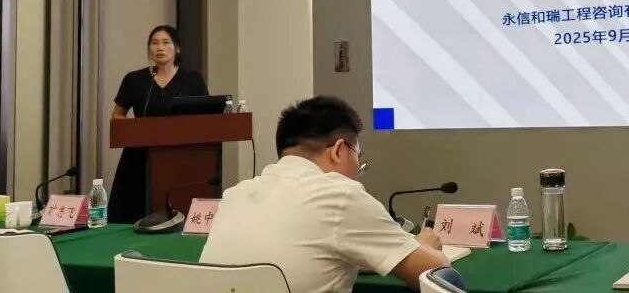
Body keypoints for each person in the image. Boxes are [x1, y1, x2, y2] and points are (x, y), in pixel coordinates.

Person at [200, 96, 448, 292]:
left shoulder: (235, 195)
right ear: (339, 150)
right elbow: (438, 276)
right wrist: (423, 245)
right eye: (358, 157)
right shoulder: (341, 196)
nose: (358, 170)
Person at [108, 25, 208, 223]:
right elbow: (117, 115)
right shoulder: (135, 79)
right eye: (154, 43)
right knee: (131, 213)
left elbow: (206, 115)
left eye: (165, 42)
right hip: (139, 155)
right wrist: (136, 129)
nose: (159, 47)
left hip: (180, 155)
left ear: (177, 48)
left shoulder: (192, 79)